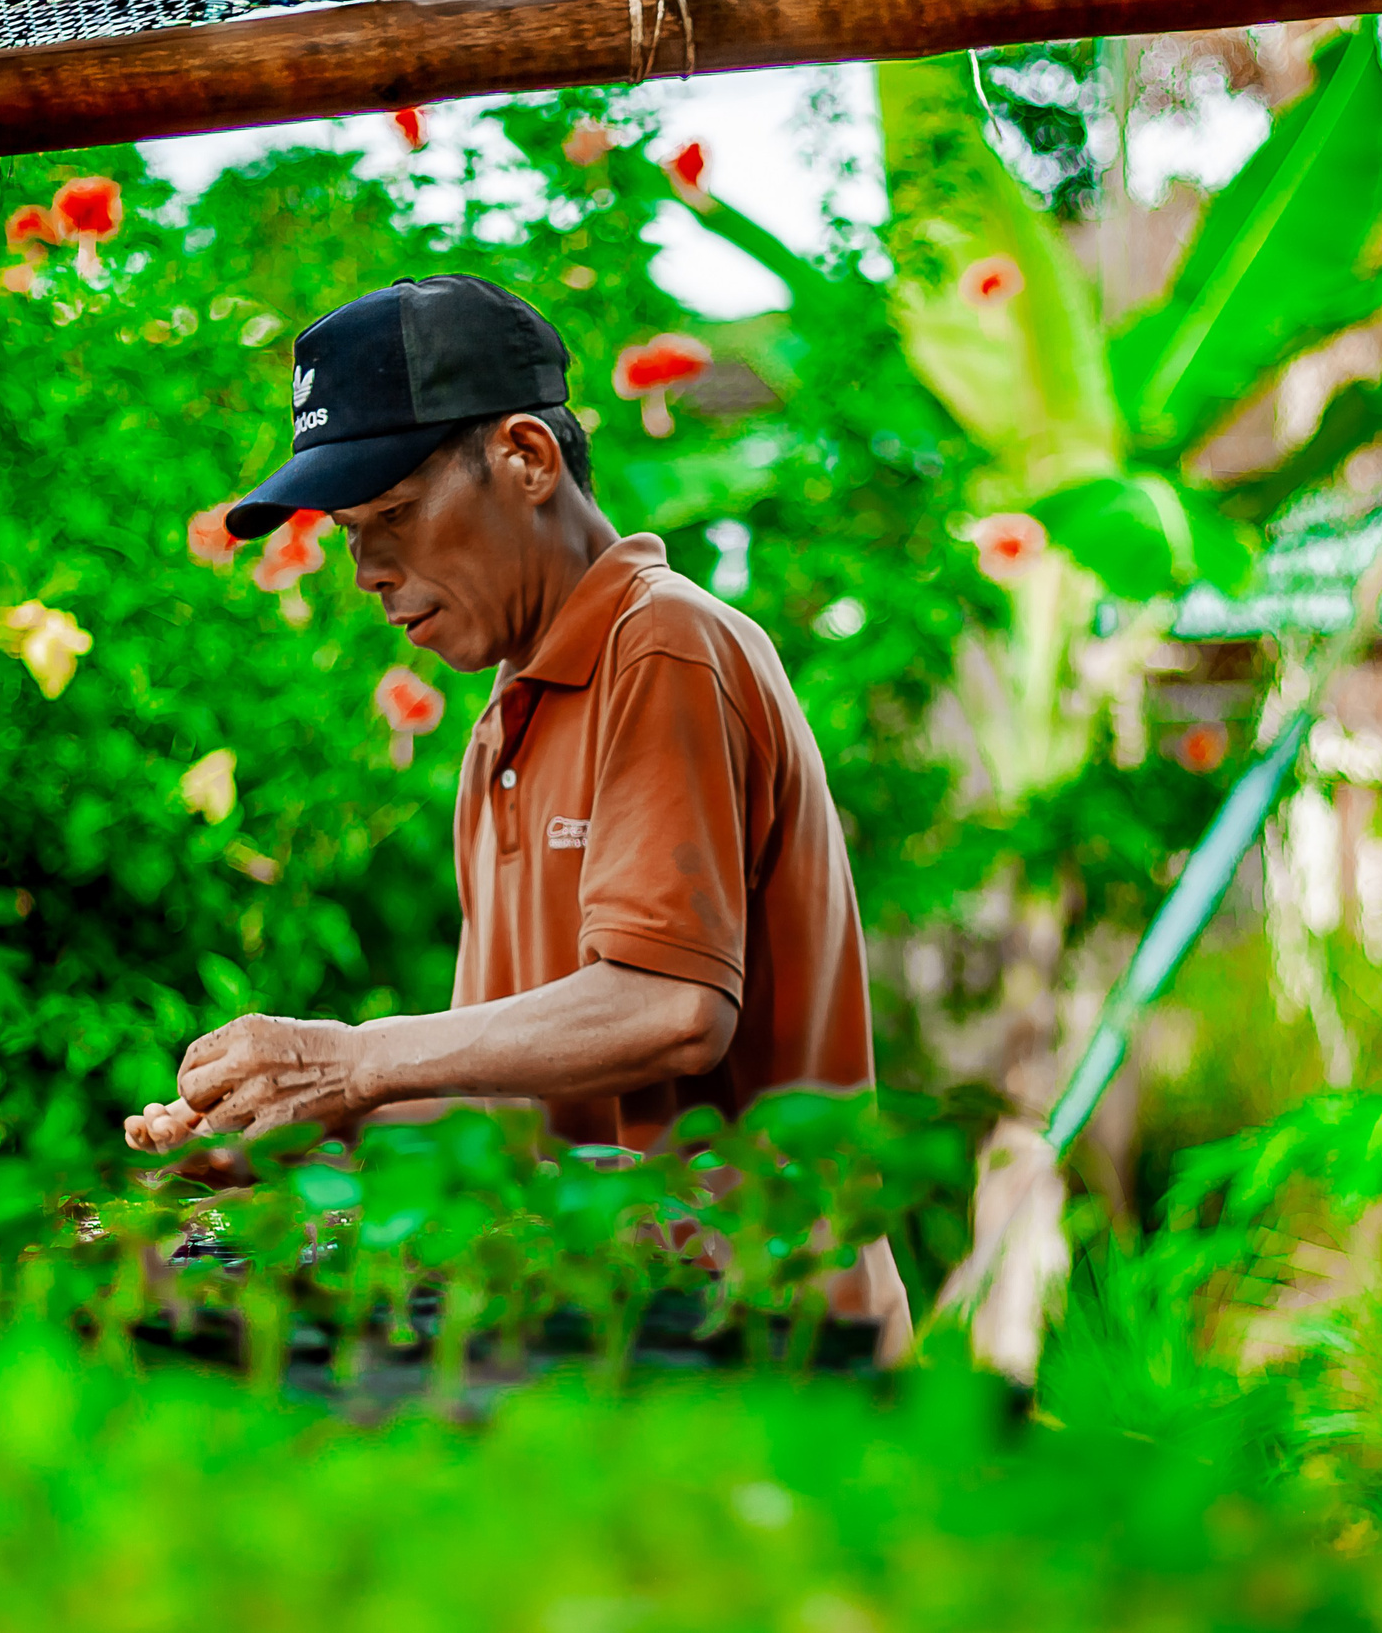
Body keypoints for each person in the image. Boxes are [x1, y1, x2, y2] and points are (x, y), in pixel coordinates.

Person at [124, 275, 906, 1331]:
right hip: (600, 1332)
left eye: (392, 514)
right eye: (349, 529)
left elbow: (669, 1009)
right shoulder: (508, 711)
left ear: (527, 458)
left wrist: (353, 1058)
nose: (364, 568)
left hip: (758, 1349)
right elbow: (526, 1080)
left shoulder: (664, 645)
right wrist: (310, 1120)